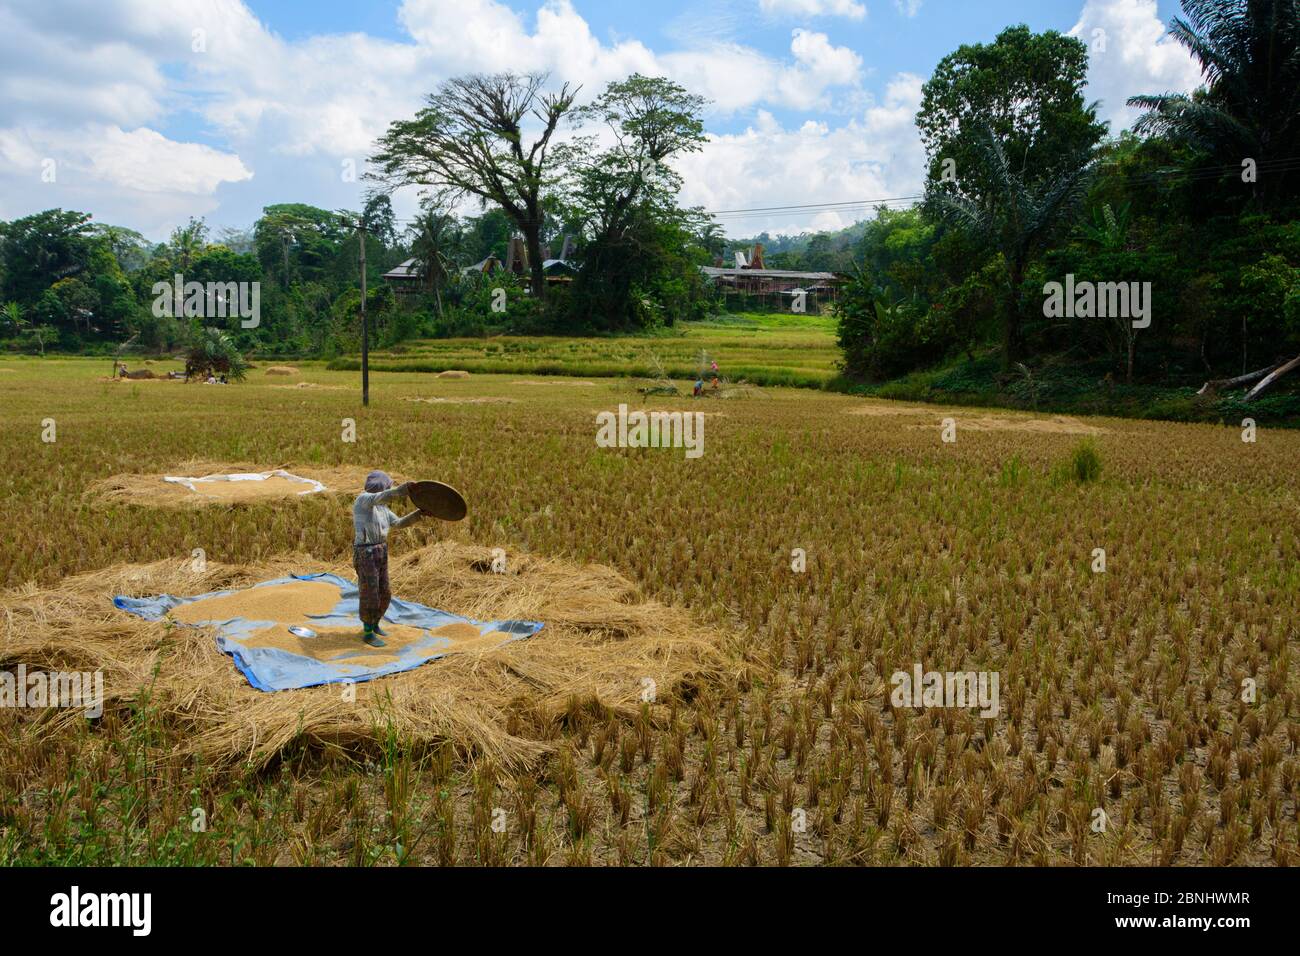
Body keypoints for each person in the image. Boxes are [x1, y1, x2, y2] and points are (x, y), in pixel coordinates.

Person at [352, 471, 425, 647]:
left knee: (384, 592)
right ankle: (368, 632)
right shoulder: (363, 500)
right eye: (389, 486)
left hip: (381, 551)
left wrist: (419, 513)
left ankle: (375, 623)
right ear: (382, 486)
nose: (390, 488)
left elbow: (398, 523)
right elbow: (383, 496)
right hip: (365, 553)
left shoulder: (383, 509)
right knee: (370, 594)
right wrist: (404, 490)